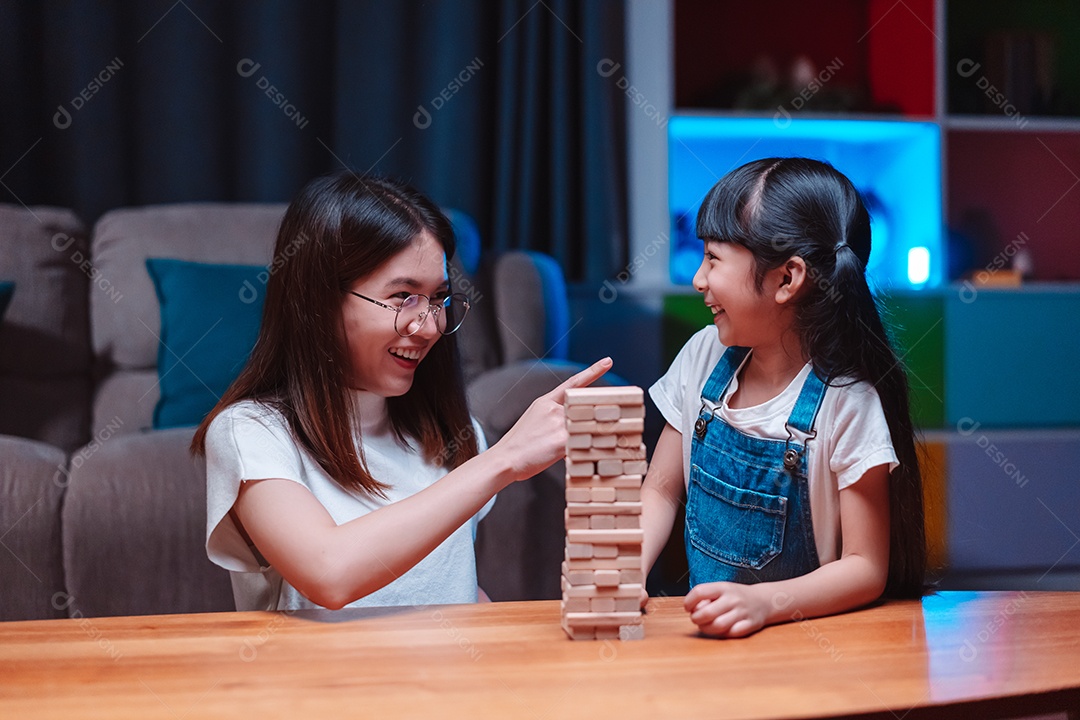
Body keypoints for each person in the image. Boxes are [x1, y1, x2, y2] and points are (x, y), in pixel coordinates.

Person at [191, 170, 611, 611]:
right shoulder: (250, 432)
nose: (429, 327)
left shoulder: (454, 435)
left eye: (438, 299)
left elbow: (450, 589)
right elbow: (329, 573)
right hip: (321, 682)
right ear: (319, 301)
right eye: (403, 297)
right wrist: (502, 460)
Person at [642, 157, 926, 637]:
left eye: (712, 258)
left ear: (787, 279)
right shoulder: (700, 356)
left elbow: (865, 566)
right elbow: (660, 489)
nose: (698, 280)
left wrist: (763, 604)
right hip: (708, 643)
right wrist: (627, 571)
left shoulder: (846, 403)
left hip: (806, 650)